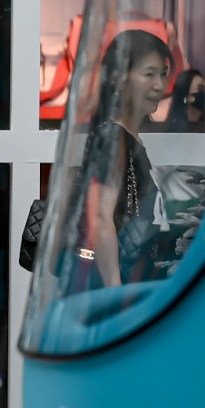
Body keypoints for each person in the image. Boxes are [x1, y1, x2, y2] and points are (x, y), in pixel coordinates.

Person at [66, 30, 173, 291]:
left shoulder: (125, 135)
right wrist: (115, 291)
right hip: (114, 288)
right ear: (118, 79)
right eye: (148, 74)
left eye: (163, 73)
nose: (159, 85)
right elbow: (100, 218)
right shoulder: (112, 136)